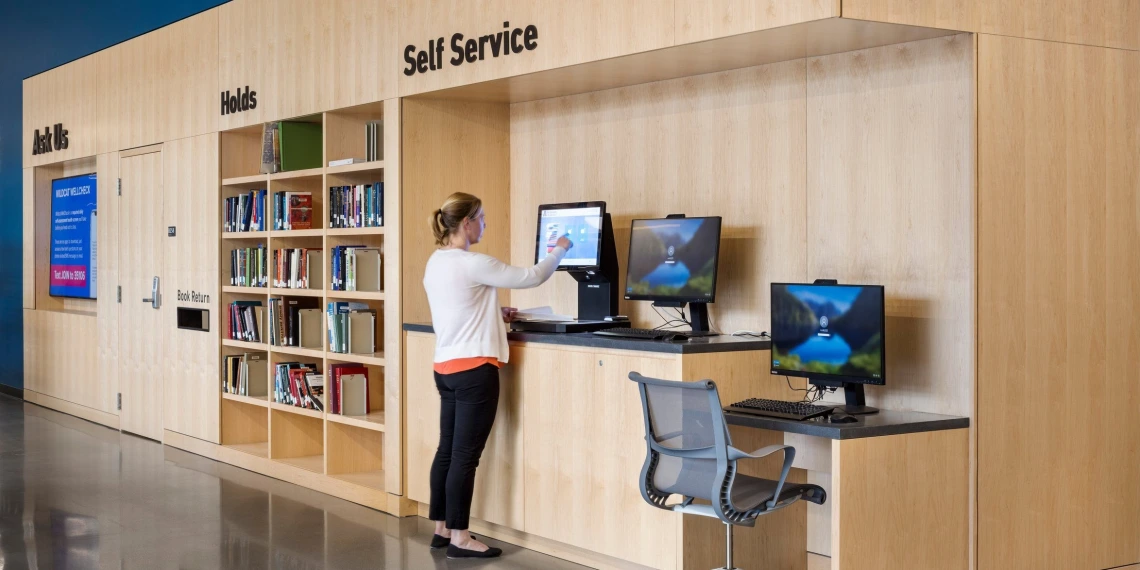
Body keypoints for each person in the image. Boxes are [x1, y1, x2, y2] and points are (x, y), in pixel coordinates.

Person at [422, 192, 572, 559]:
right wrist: (561, 248)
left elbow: (458, 305)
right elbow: (533, 276)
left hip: (445, 368)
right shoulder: (473, 262)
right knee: (464, 457)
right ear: (467, 223)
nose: (485, 223)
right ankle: (461, 539)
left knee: (447, 451)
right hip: (475, 371)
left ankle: (441, 530)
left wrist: (493, 311)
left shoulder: (436, 261)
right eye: (482, 217)